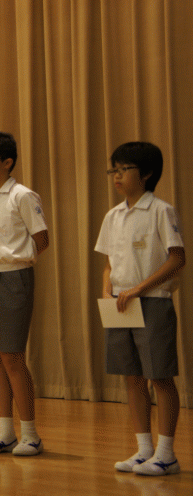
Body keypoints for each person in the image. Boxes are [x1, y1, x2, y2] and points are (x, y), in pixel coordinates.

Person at [94, 142, 185, 476]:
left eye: (124, 169)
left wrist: (139, 289)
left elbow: (177, 258)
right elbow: (109, 263)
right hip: (120, 304)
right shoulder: (113, 215)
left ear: (146, 173)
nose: (117, 176)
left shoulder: (161, 210)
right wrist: (107, 288)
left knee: (159, 376)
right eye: (114, 170)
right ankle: (144, 449)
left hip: (153, 302)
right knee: (132, 377)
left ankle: (166, 454)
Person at [0, 132, 49, 456]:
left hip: (13, 275)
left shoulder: (23, 195)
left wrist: (16, 259)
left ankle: (31, 434)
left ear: (7, 162)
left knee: (12, 356)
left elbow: (41, 239)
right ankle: (5, 433)